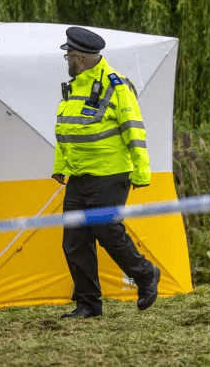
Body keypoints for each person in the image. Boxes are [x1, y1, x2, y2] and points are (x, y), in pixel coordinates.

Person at [53, 26, 161, 318]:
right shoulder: (75, 85)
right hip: (78, 176)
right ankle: (88, 304)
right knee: (75, 241)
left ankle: (146, 274)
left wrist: (141, 171)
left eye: (69, 57)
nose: (67, 62)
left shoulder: (117, 85)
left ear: (79, 56)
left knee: (108, 231)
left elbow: (134, 130)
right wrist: (60, 167)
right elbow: (67, 130)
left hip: (110, 175)